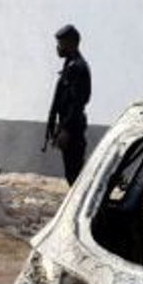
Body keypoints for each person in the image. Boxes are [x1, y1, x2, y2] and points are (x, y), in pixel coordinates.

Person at [45, 24, 92, 186]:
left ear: (71, 43)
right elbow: (61, 100)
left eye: (60, 43)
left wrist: (66, 129)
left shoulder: (78, 67)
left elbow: (78, 102)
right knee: (71, 173)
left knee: (74, 174)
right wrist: (53, 124)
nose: (58, 48)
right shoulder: (70, 65)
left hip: (73, 128)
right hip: (68, 126)